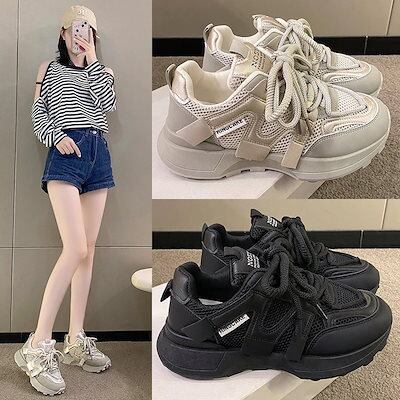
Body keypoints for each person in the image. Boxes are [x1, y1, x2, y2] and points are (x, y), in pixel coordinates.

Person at [14, 5, 116, 396]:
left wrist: (92, 62)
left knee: (88, 250)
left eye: (88, 30)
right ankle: (38, 343)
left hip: (99, 154)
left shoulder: (102, 72)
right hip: (66, 152)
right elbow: (38, 113)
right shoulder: (49, 69)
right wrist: (55, 137)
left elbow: (107, 105)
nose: (80, 35)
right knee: (74, 248)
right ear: (63, 32)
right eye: (75, 28)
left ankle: (75, 339)